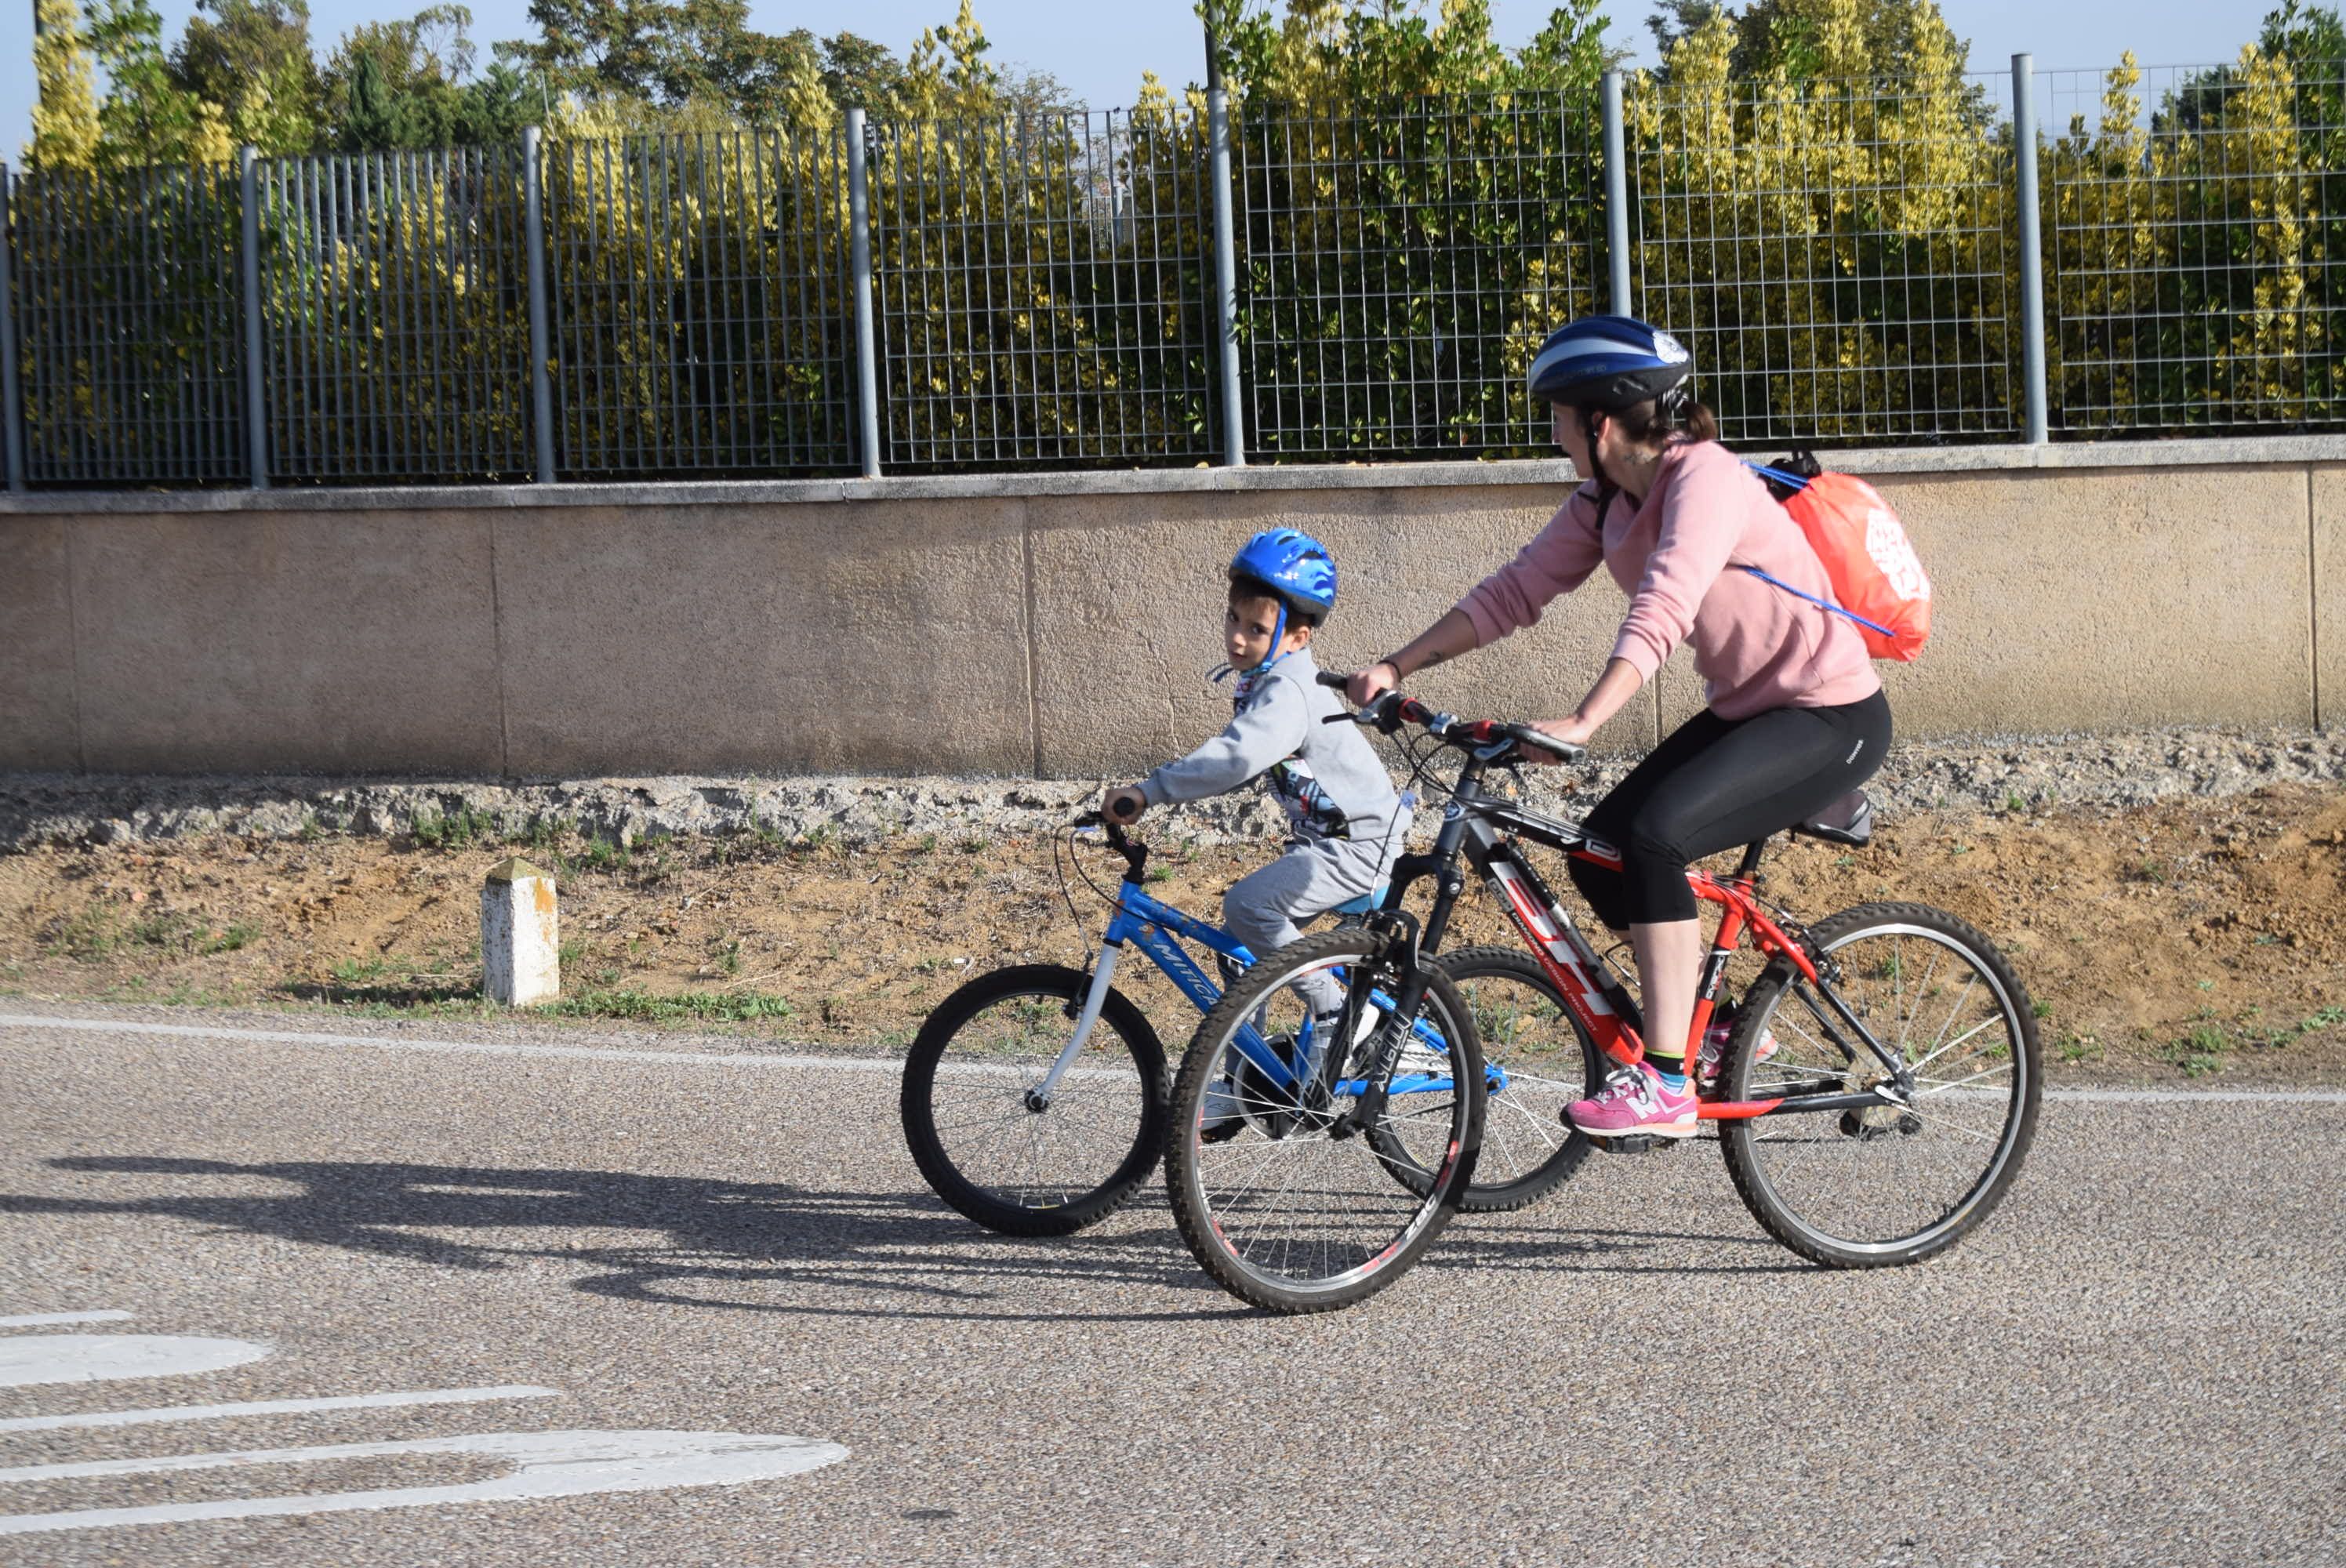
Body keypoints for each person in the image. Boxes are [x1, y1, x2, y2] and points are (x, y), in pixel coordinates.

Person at [1346, 314, 1893, 1141]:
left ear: (1600, 419)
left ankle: (1666, 1080)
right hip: (1751, 710)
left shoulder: (1701, 478)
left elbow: (1664, 605)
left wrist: (1583, 717)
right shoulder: (1607, 497)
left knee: (1653, 837)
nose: (1556, 435)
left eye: (1560, 418)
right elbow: (1514, 592)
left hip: (1830, 713)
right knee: (1598, 852)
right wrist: (1396, 666)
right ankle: (1704, 1031)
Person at [1102, 529, 1405, 1102]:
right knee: (1236, 948)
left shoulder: (1289, 689)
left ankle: (1338, 1011)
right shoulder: (1269, 681)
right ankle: (1250, 1080)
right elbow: (1243, 761)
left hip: (1360, 846)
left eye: (1257, 628)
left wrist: (1150, 791)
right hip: (1327, 844)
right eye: (1233, 620)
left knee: (1247, 907)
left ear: (1297, 636)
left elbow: (1238, 755)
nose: (1238, 638)